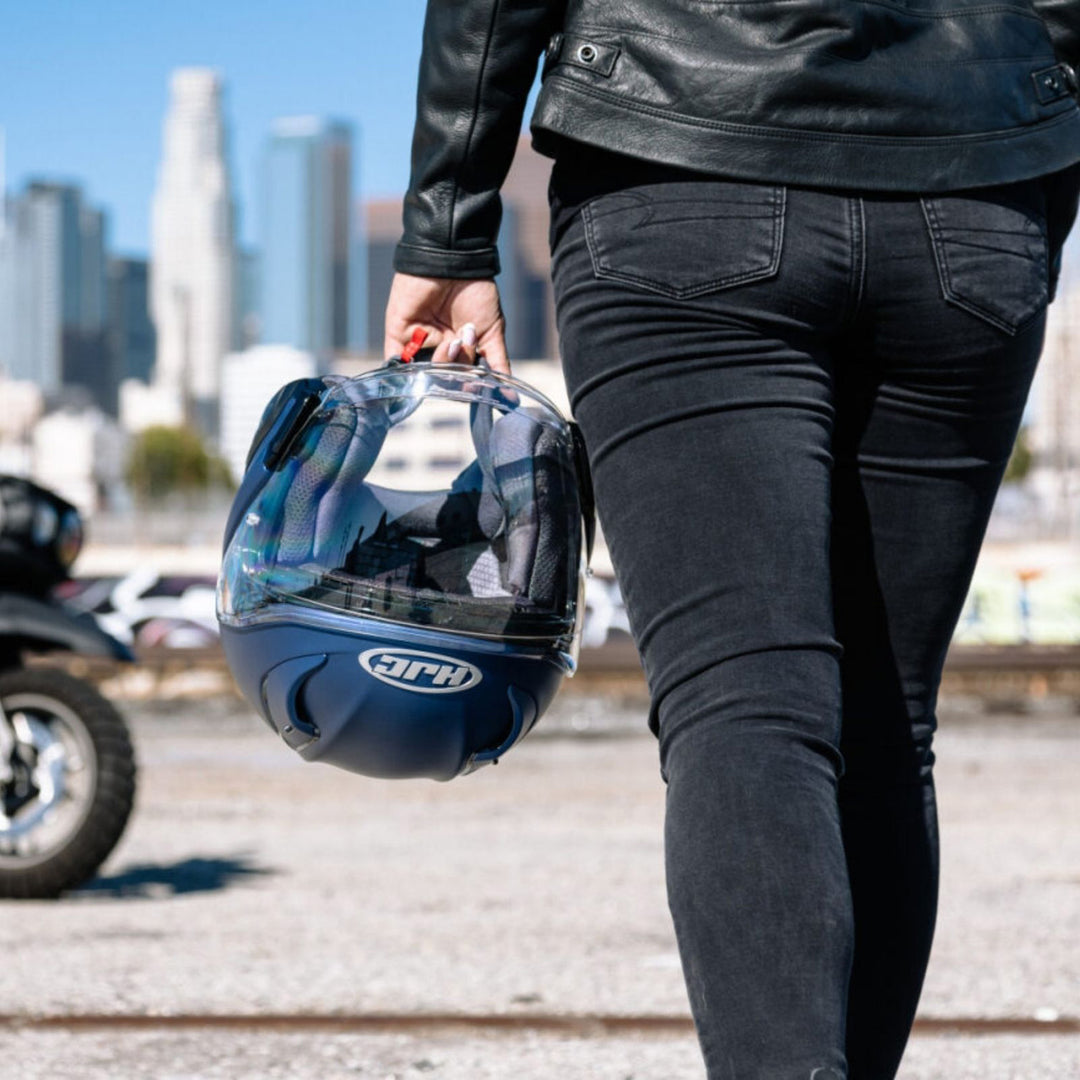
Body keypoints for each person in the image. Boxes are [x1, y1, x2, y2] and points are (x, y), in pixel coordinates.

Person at [383, 3, 1080, 1077]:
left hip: (679, 159)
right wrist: (1027, 167)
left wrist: (447, 225)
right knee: (886, 728)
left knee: (746, 705)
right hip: (975, 192)